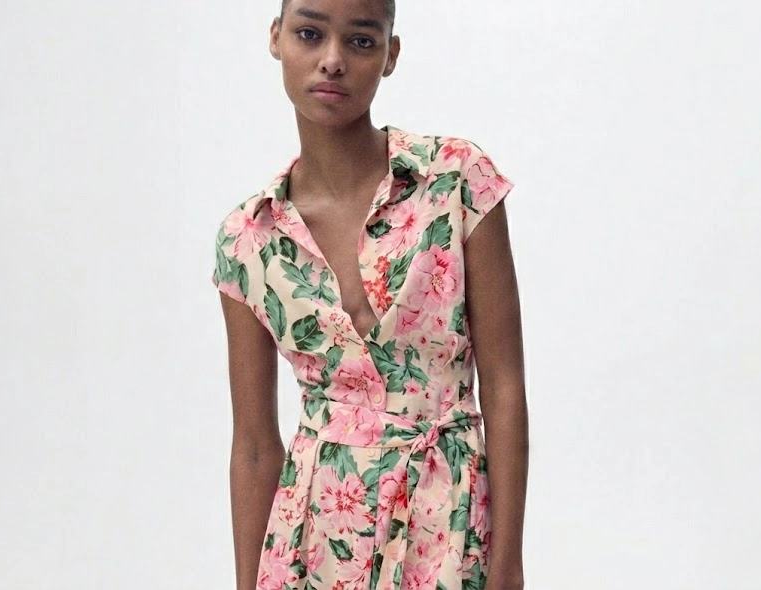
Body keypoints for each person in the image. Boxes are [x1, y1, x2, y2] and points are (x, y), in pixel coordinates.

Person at [210, 1, 528, 588]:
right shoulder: (249, 239)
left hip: (448, 526)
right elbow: (253, 446)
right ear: (276, 38)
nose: (332, 61)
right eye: (310, 34)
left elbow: (504, 384)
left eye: (360, 41)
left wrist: (508, 565)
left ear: (390, 54)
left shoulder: (455, 180)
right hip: (311, 541)